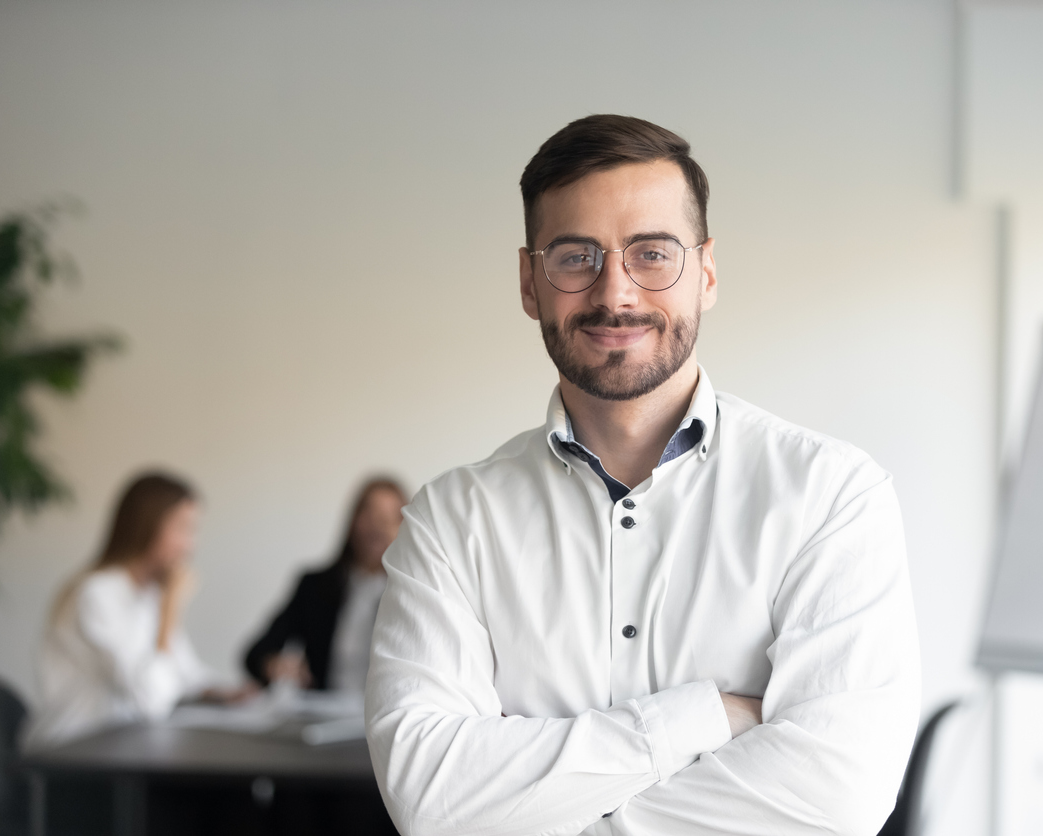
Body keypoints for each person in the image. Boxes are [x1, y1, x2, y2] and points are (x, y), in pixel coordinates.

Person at [365, 115, 922, 836]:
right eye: (575, 257)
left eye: (652, 253)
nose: (616, 292)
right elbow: (430, 797)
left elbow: (837, 793)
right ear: (531, 283)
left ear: (707, 271)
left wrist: (539, 808)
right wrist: (705, 717)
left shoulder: (831, 497)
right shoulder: (451, 522)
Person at [25, 471, 222, 750]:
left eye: (193, 530)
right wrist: (170, 608)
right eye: (182, 528)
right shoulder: (97, 594)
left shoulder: (150, 592)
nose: (190, 545)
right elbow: (152, 700)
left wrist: (231, 692)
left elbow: (185, 672)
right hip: (73, 755)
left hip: (122, 749)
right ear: (147, 526)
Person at [244, 477, 407, 693]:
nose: (378, 526)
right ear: (353, 520)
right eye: (370, 514)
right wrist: (275, 665)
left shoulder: (413, 591)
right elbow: (256, 654)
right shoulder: (316, 586)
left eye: (390, 518)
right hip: (324, 712)